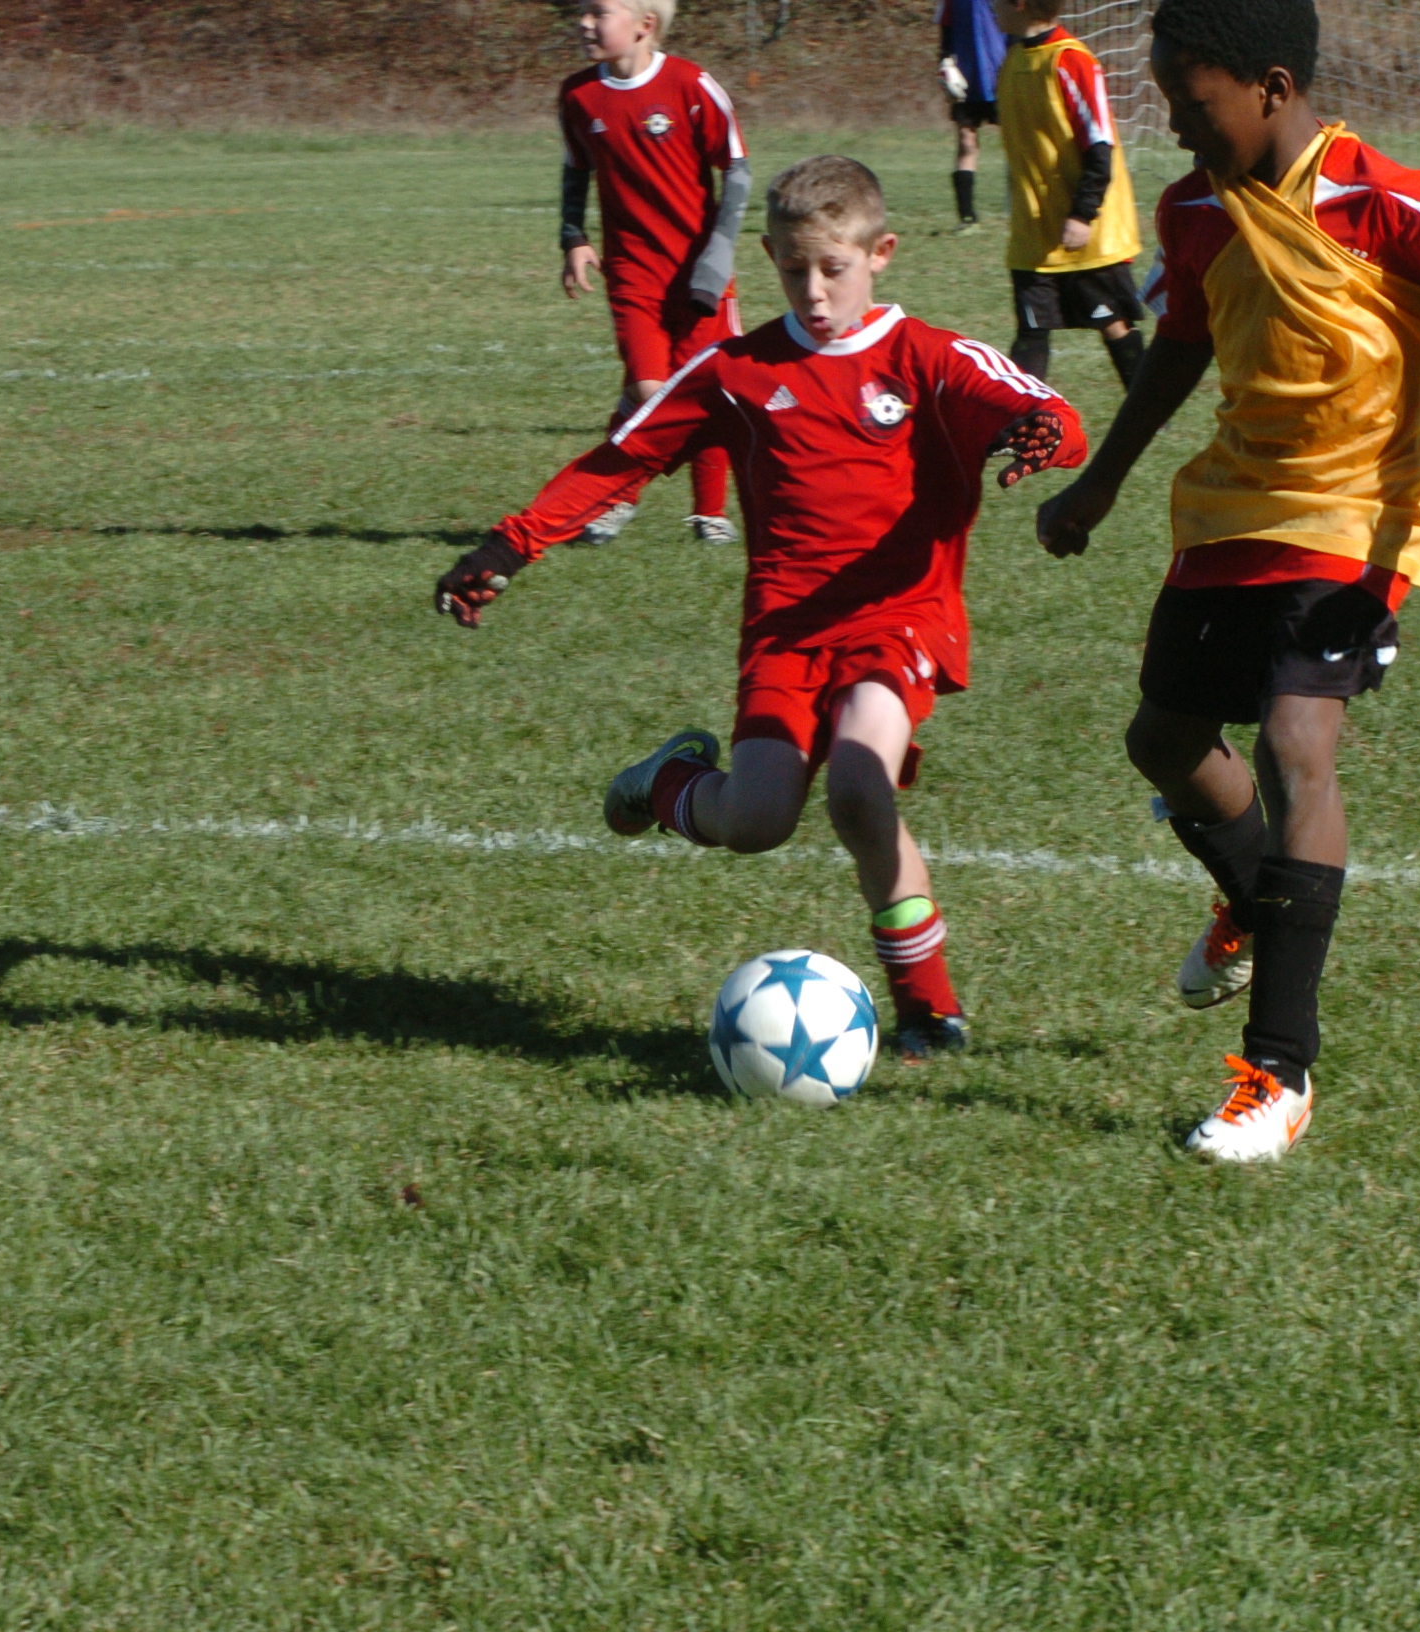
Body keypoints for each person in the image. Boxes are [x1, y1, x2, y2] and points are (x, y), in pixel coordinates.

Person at [1035, 0, 1420, 1161]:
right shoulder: (1193, 210)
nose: (1174, 127)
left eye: (1192, 103)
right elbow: (1181, 350)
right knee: (1163, 740)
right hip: (1240, 499)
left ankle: (1276, 1074)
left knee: (1294, 740)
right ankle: (1250, 896)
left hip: (1363, 510)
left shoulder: (1379, 199)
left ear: (1271, 88)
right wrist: (1100, 485)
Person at [437, 158, 1088, 1061]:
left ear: (881, 253)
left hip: (900, 614)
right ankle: (667, 782)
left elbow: (1037, 404)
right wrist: (510, 545)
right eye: (792, 270)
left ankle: (927, 1010)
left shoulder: (927, 357)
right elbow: (623, 459)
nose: (814, 292)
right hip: (785, 632)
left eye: (833, 269)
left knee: (859, 783)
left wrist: (1043, 433)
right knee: (757, 821)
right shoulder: (737, 371)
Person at [558, 0, 750, 548]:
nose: (585, 23)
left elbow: (737, 170)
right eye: (583, 12)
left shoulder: (690, 85)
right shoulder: (578, 95)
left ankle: (709, 513)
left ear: (645, 25)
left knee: (708, 390)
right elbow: (576, 168)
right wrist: (573, 236)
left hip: (698, 272)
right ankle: (616, 497)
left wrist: (718, 254)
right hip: (632, 272)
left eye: (600, 12)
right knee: (650, 390)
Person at [991, 0, 1147, 390]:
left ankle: (1148, 406)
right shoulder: (1013, 61)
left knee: (1113, 323)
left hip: (1086, 228)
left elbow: (1100, 144)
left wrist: (1083, 213)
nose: (990, 7)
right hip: (1035, 231)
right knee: (1031, 329)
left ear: (1020, 4)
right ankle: (1023, 417)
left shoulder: (1071, 60)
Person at [937, 0, 1008, 228]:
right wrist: (945, 62)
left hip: (1002, 74)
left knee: (1018, 142)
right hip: (967, 77)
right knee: (966, 142)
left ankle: (1031, 209)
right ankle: (966, 217)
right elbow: (946, 29)